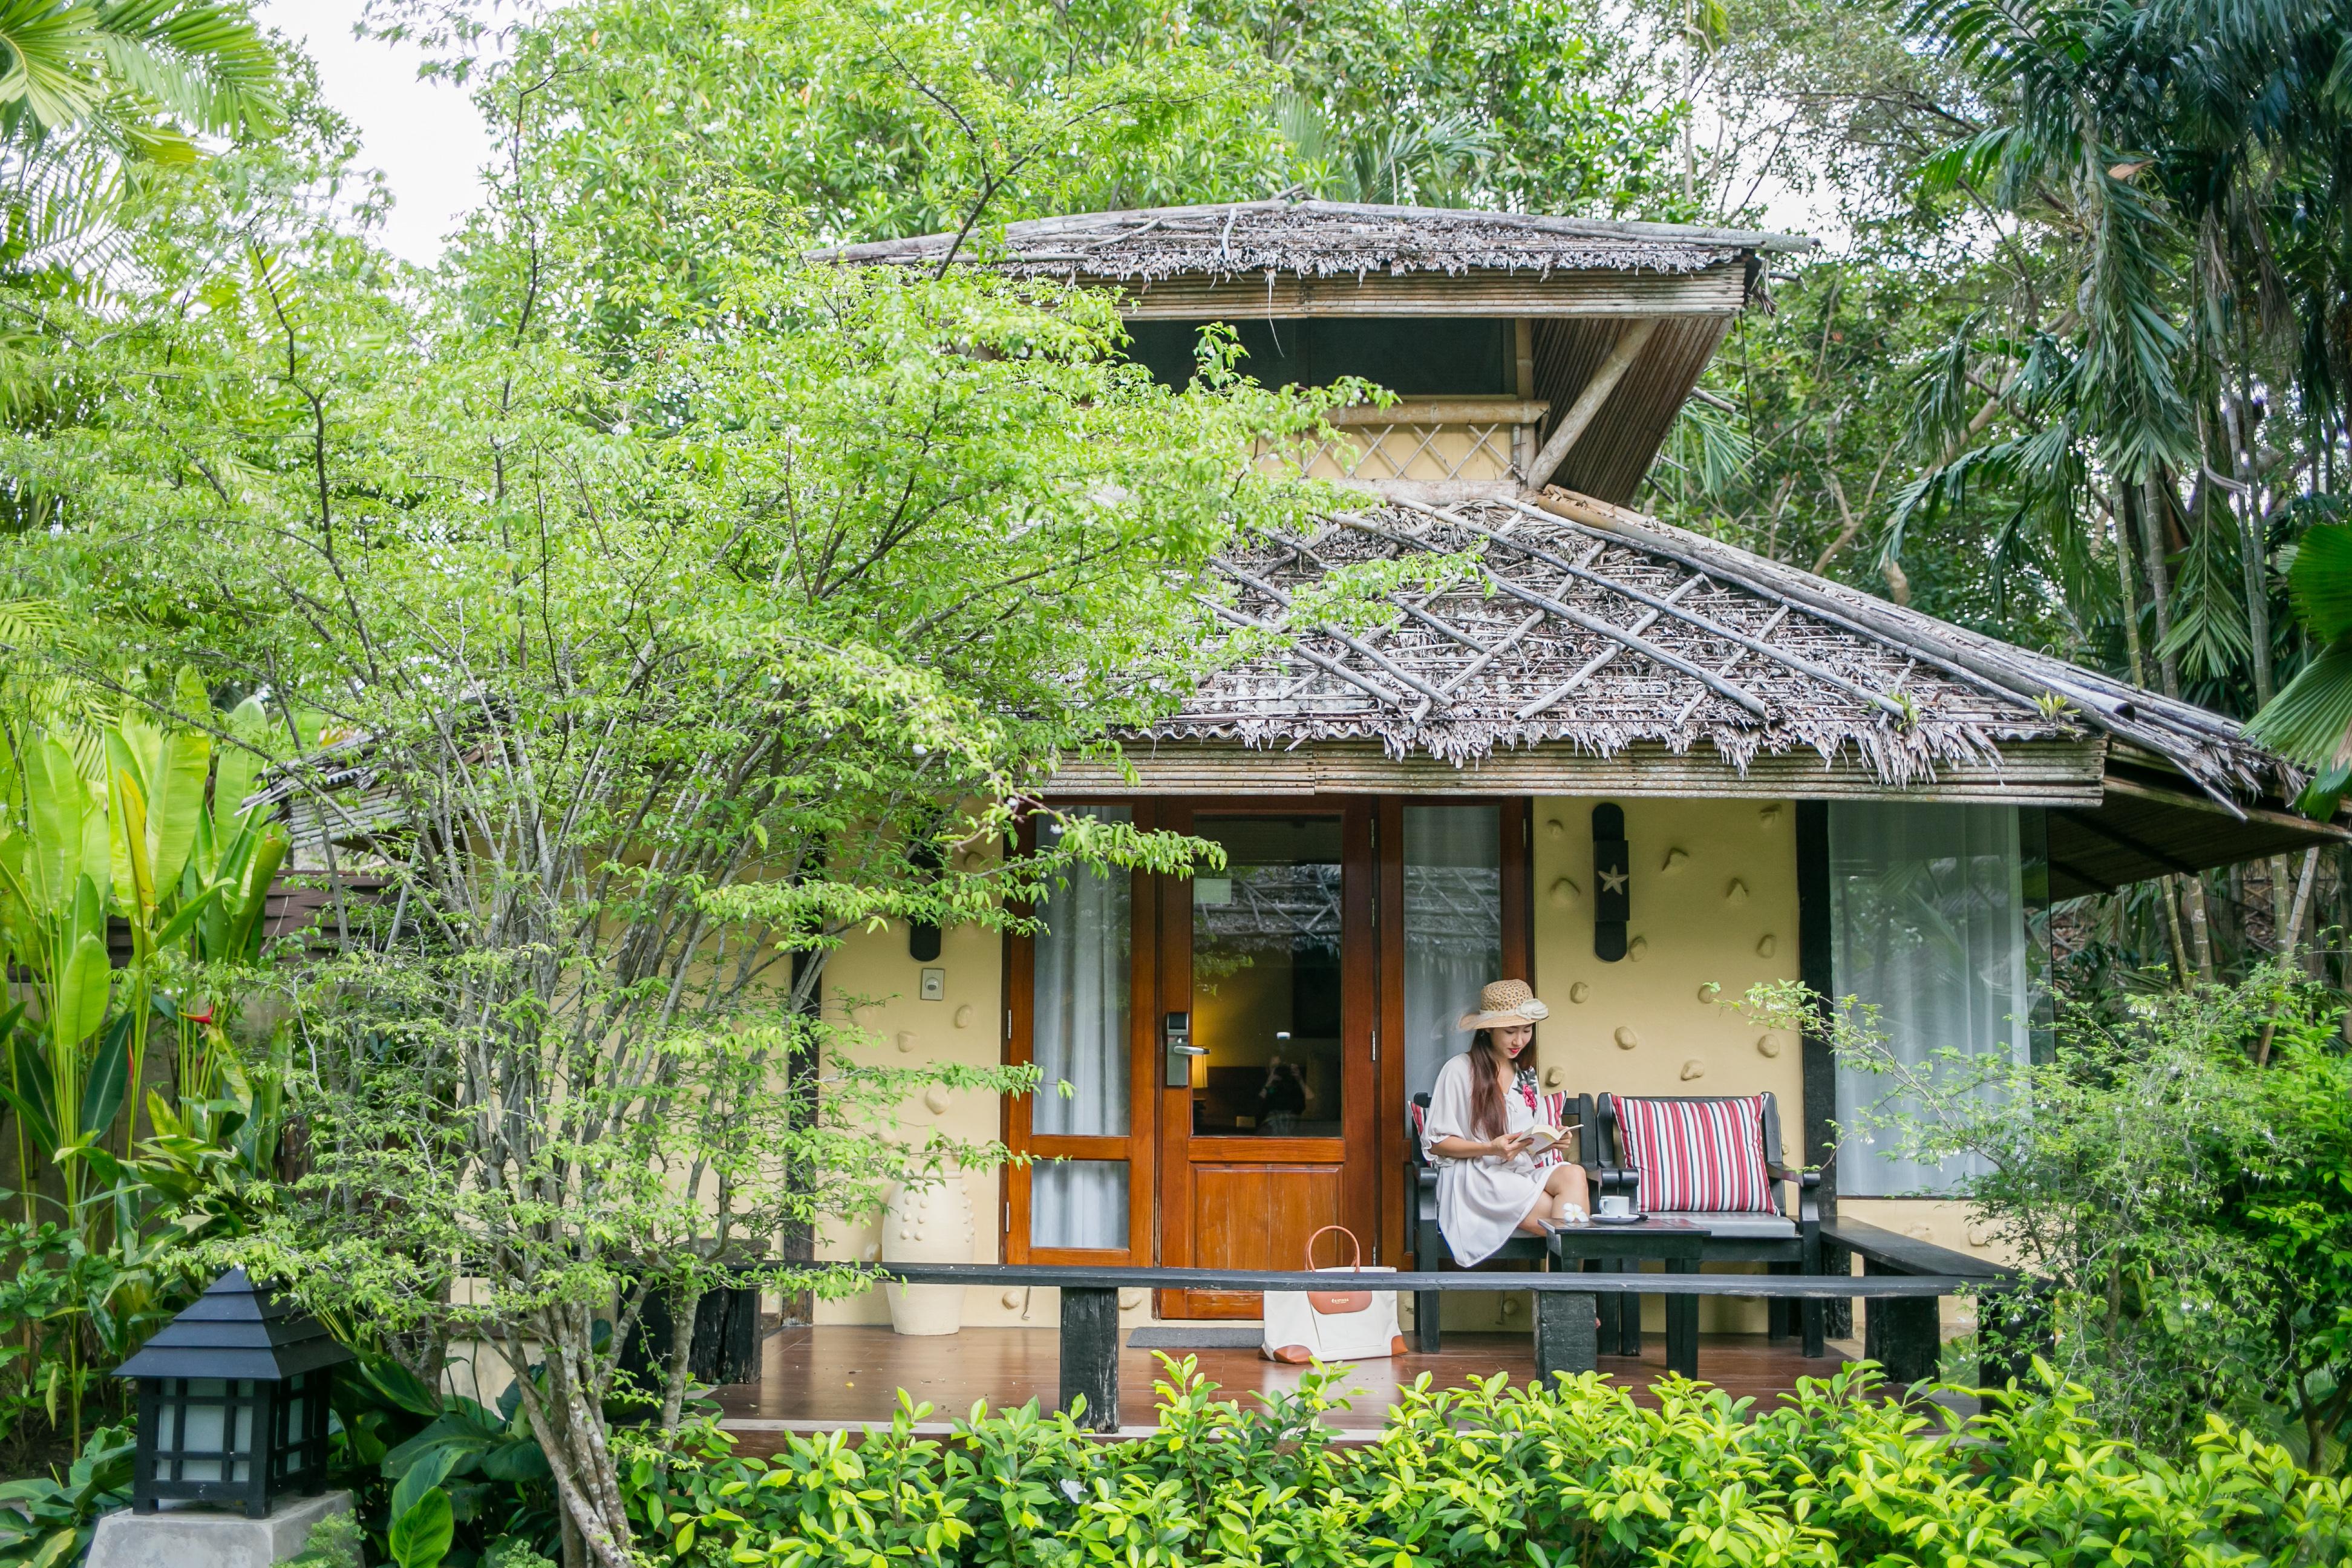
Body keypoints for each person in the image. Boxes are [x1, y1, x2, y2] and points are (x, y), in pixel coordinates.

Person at [1420, 979, 1591, 1267]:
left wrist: (1553, 1141)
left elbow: (1528, 1143)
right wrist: (1491, 1148)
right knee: (1571, 1220)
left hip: (1517, 1172)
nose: (1519, 1041)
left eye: (1527, 1031)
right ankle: (1572, 1302)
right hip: (1476, 1175)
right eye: (1510, 1031)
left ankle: (1567, 1302)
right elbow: (1438, 1144)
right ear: (1487, 1028)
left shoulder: (1526, 1074)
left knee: (1573, 1174)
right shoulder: (1460, 1070)